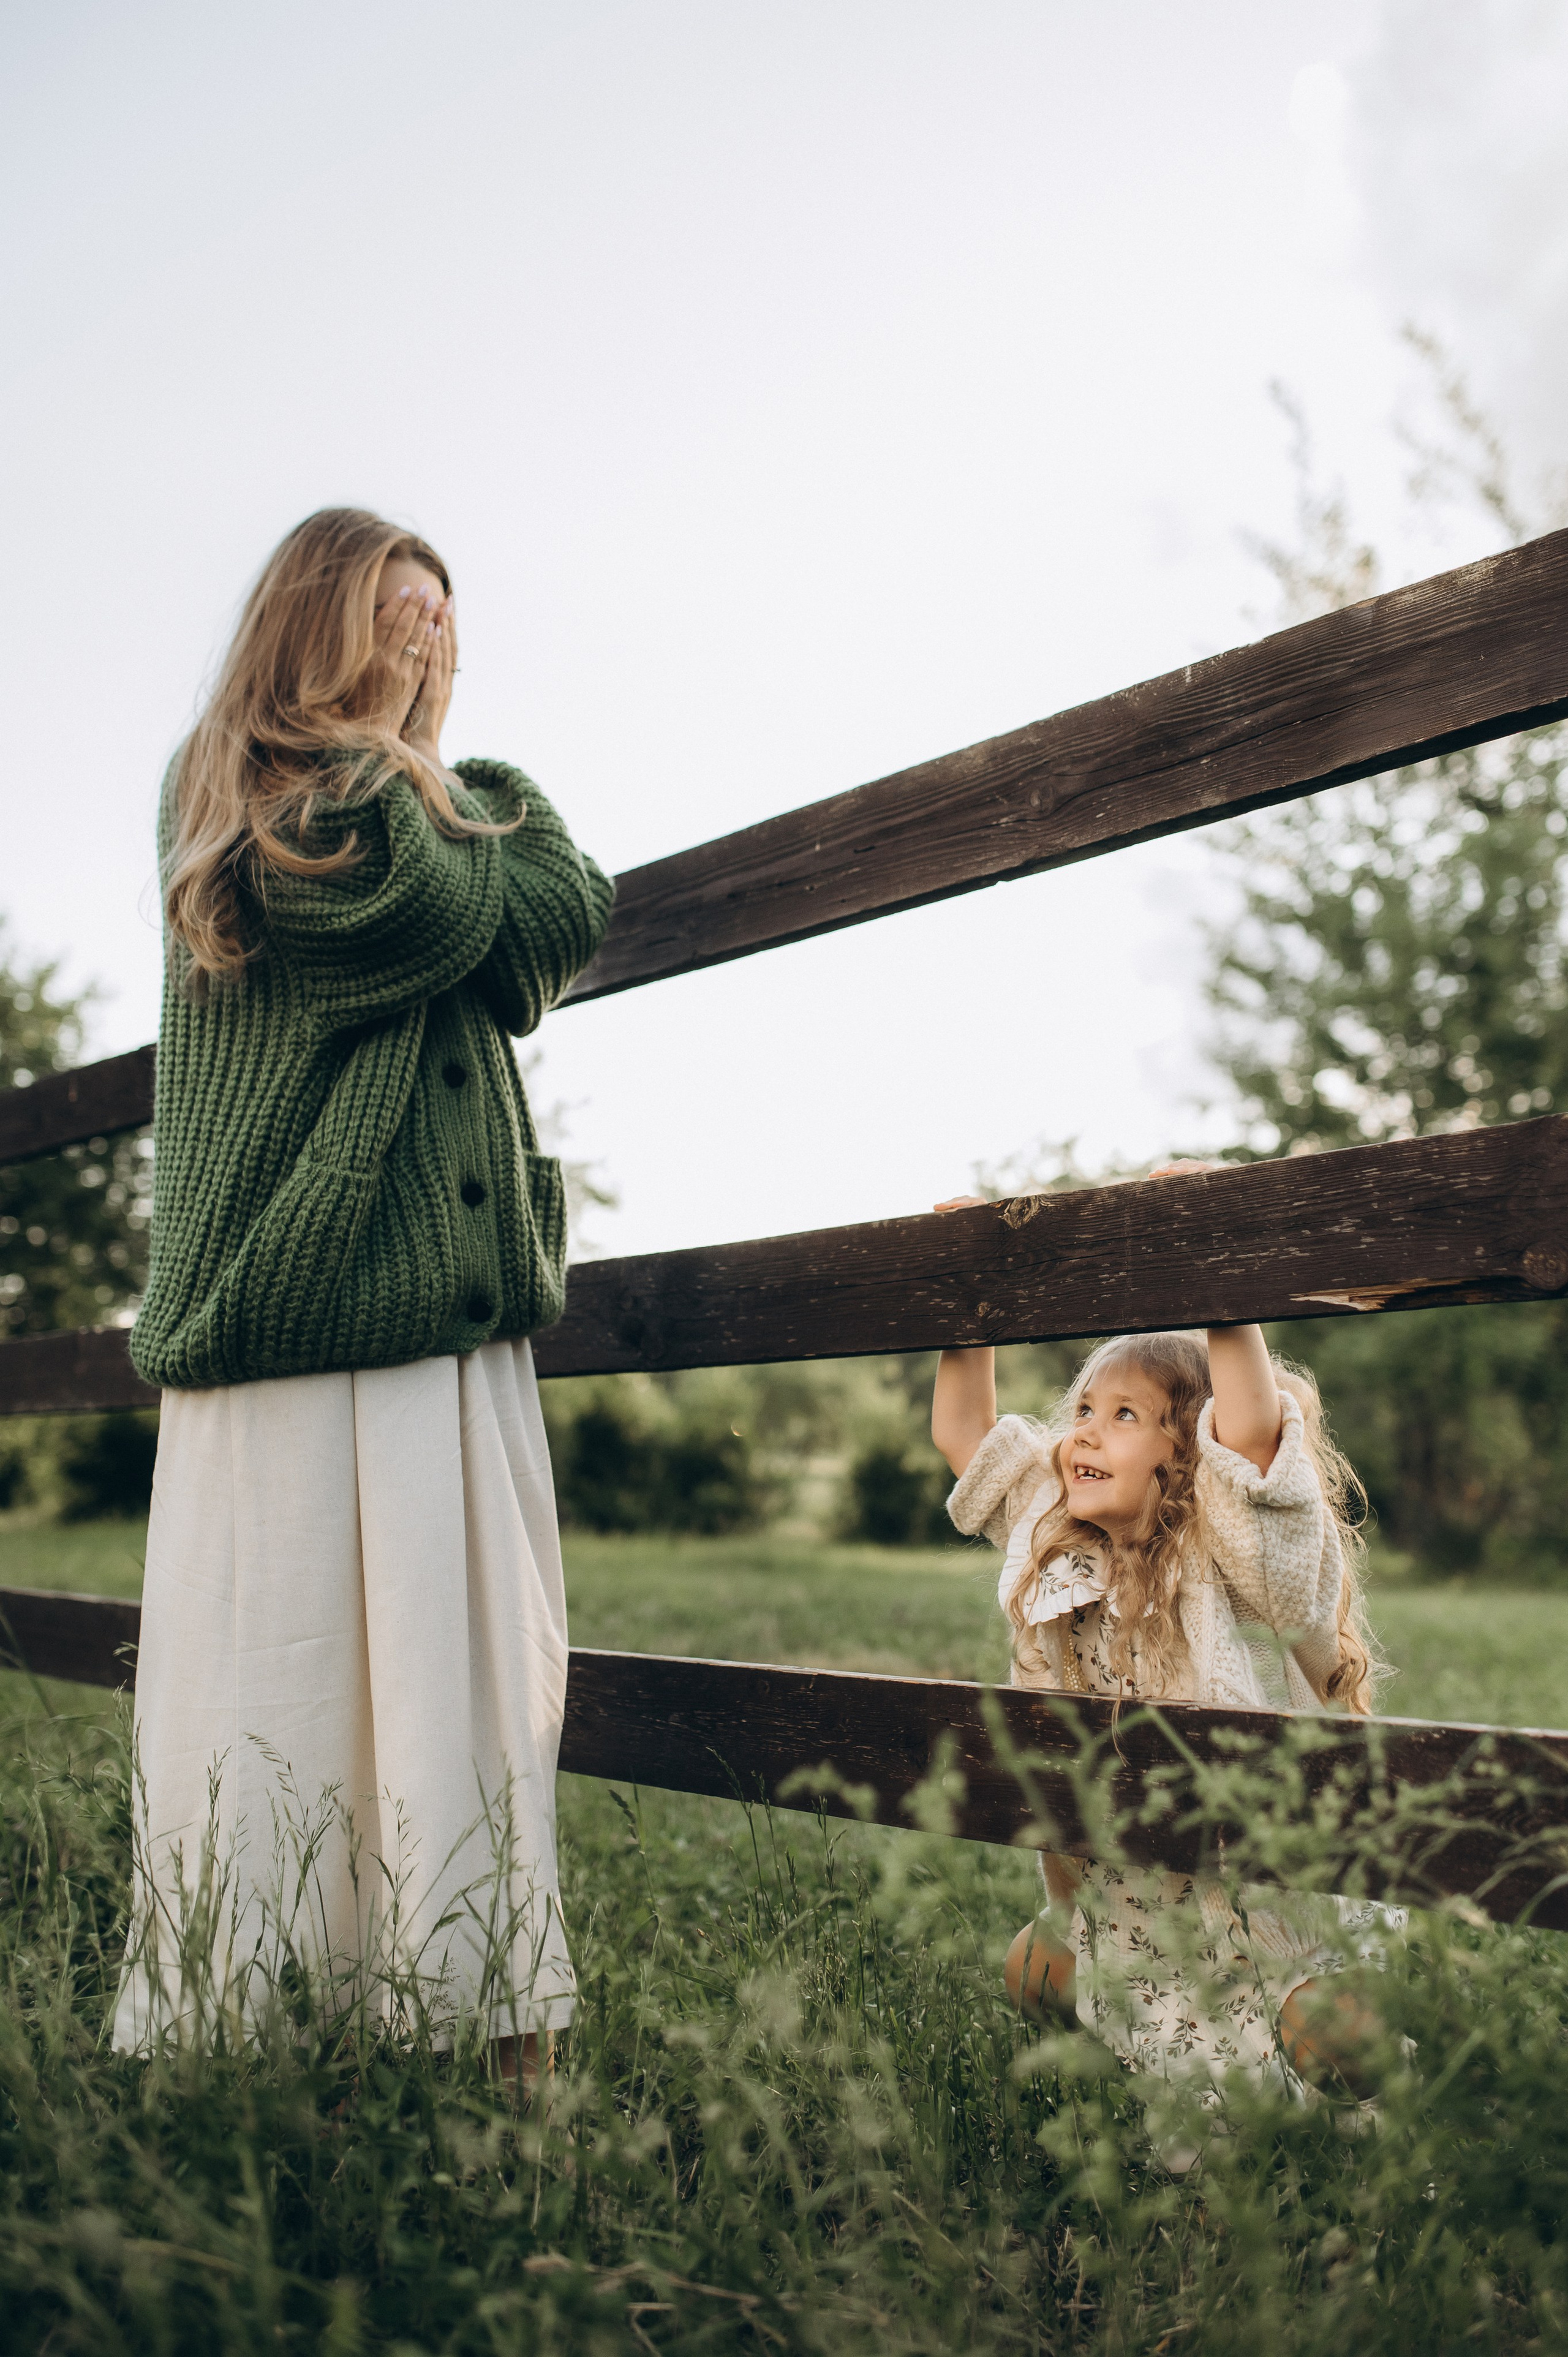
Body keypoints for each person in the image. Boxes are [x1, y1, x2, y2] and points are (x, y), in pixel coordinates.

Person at [113, 508, 614, 2093]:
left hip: (442, 1325)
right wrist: (431, 771)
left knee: (465, 1682)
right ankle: (267, 2040)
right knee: (295, 1684)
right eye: (401, 615)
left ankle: (479, 2035)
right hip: (301, 1315)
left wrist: (455, 785)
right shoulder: (249, 790)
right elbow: (428, 912)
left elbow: (560, 918)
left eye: (445, 622)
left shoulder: (426, 804)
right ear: (319, 623)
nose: (431, 644)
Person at [930, 1168, 1393, 2101]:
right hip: (1127, 1893)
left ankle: (1344, 2082)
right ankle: (1139, 2051)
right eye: (1085, 1414)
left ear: (1187, 1453)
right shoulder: (1051, 1517)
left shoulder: (1215, 1541)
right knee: (1035, 1969)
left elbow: (1256, 1436)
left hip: (1242, 1881)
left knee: (1331, 2038)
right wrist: (963, 1282)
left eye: (1126, 1416)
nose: (1085, 1435)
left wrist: (1213, 1250)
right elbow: (964, 1434)